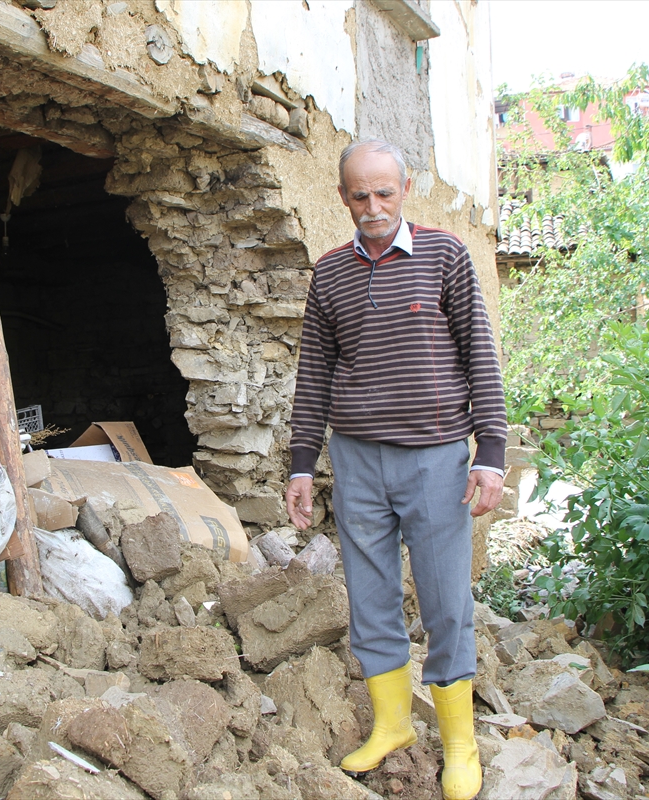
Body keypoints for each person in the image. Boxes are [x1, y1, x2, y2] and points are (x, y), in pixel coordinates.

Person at [285, 139, 506, 800]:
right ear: (342, 196)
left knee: (445, 599)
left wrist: (490, 451)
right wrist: (302, 465)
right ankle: (392, 725)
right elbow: (314, 374)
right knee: (370, 595)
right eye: (360, 195)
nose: (373, 207)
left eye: (385, 193)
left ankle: (460, 744)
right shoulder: (330, 273)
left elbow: (480, 355)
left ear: (406, 188)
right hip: (355, 458)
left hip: (436, 458)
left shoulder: (445, 256)